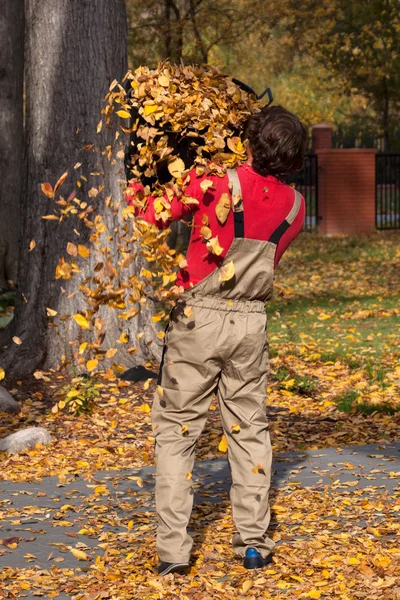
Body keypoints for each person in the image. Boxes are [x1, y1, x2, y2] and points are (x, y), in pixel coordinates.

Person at [126, 105, 308, 575]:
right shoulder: (295, 206)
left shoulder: (215, 182)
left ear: (249, 142)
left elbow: (150, 215)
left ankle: (173, 552)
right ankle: (253, 543)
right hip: (251, 324)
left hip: (198, 320)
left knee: (178, 431)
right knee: (249, 431)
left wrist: (136, 176)